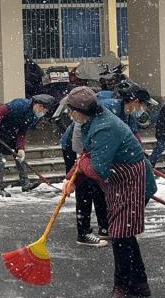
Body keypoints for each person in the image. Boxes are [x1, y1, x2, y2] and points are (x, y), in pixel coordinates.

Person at [62, 87, 158, 298]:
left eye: (71, 110)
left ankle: (122, 286)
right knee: (124, 233)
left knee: (120, 234)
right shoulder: (90, 122)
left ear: (79, 111)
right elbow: (87, 156)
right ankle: (140, 283)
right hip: (119, 179)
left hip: (131, 180)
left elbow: (98, 170)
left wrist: (82, 166)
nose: (69, 114)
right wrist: (72, 179)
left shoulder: (104, 127)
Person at [59, 80, 158, 247]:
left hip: (126, 175)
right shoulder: (103, 112)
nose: (143, 109)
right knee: (88, 190)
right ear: (135, 101)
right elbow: (84, 145)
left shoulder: (111, 118)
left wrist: (138, 150)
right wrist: (73, 176)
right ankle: (86, 231)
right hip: (83, 151)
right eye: (143, 105)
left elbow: (130, 134)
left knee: (123, 233)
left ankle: (105, 228)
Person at [0, 94, 56, 196]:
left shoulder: (33, 116)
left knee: (20, 157)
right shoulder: (20, 104)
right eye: (44, 111)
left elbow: (22, 131)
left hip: (11, 131)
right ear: (39, 106)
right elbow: (0, 111)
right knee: (0, 158)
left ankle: (25, 184)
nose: (44, 113)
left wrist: (20, 148)